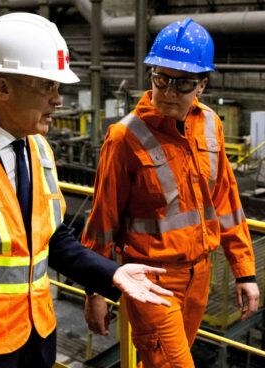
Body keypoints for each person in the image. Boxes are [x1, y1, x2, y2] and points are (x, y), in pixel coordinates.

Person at [0, 12, 173, 368]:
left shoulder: (40, 149)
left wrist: (110, 273)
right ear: (2, 87)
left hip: (37, 342)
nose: (58, 100)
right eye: (47, 86)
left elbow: (51, 238)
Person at [81, 19, 259, 367]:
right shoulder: (124, 138)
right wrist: (94, 290)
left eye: (183, 83)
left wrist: (244, 271)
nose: (169, 92)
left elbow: (226, 203)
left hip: (200, 276)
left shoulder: (211, 125)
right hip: (150, 279)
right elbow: (102, 221)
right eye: (161, 79)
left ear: (202, 84)